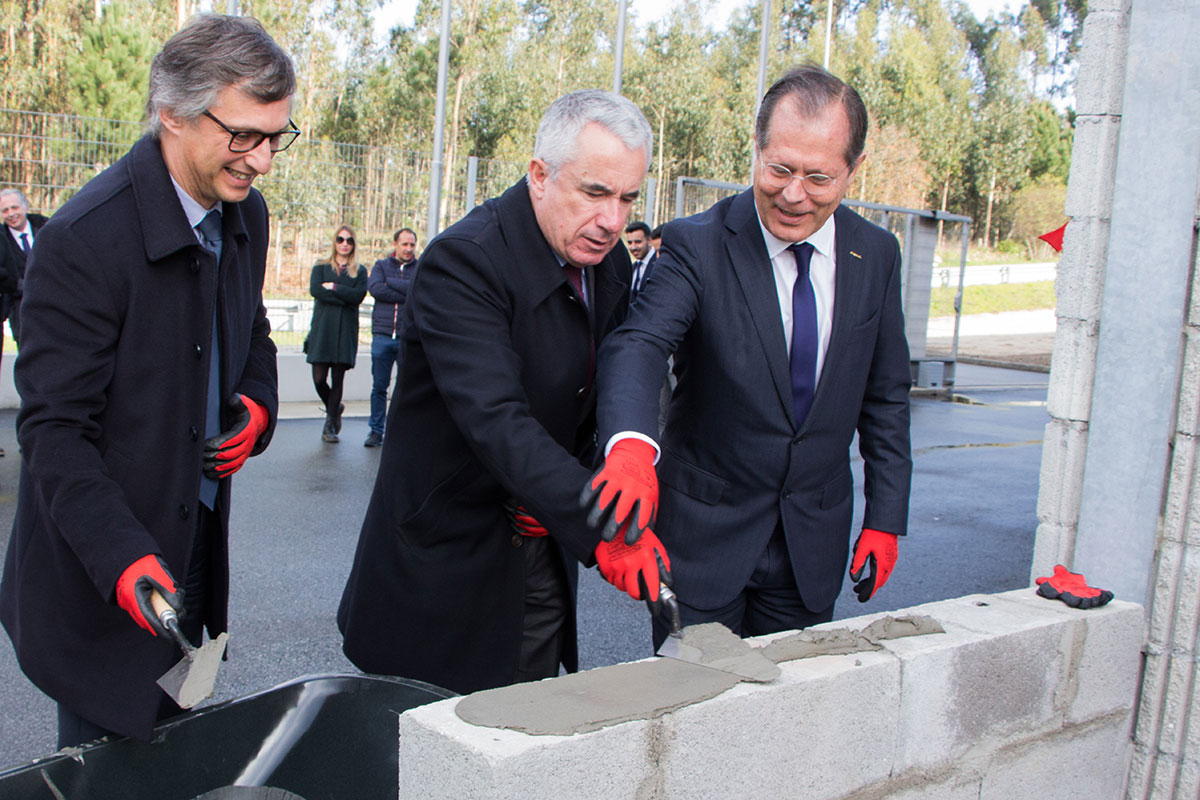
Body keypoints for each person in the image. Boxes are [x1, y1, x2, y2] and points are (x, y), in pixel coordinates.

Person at [0, 13, 294, 746]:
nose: (261, 161)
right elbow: (54, 432)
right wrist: (122, 555)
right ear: (172, 113)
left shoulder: (245, 215)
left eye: (275, 137)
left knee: (176, 738)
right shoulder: (82, 241)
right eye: (243, 136)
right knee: (110, 755)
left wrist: (257, 404)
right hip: (107, 560)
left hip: (191, 540)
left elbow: (252, 328)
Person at [338, 89, 669, 695]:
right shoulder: (465, 262)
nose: (613, 221)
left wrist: (613, 462)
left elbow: (603, 388)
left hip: (541, 550)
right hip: (447, 568)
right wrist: (604, 529)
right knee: (423, 753)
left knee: (519, 737)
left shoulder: (608, 264)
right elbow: (496, 419)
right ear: (539, 175)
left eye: (627, 198)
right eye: (595, 193)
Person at [584, 64, 913, 646]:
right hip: (703, 540)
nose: (793, 194)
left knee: (789, 717)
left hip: (811, 545)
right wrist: (630, 449)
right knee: (694, 716)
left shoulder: (877, 255)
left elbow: (884, 395)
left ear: (855, 169)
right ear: (756, 148)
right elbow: (640, 344)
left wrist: (886, 517)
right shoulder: (697, 244)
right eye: (779, 168)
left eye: (819, 178)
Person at [305, 225, 367, 443]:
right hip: (323, 329)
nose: (344, 244)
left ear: (353, 245)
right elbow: (315, 291)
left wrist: (334, 288)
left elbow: (358, 296)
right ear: (334, 242)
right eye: (340, 239)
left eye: (349, 241)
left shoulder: (359, 271)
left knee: (338, 378)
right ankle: (335, 406)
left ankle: (330, 424)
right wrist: (343, 297)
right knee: (319, 378)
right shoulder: (321, 267)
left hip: (345, 330)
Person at [364, 227, 417, 447]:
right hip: (383, 335)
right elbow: (376, 289)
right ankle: (376, 431)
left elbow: (420, 290)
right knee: (379, 386)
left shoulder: (420, 267)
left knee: (406, 388)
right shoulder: (380, 266)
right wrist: (407, 290)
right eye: (404, 244)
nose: (408, 249)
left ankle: (400, 433)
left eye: (412, 244)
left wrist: (392, 284)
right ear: (395, 244)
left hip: (408, 337)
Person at [0, 187, 49, 344]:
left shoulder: (46, 229)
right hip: (20, 309)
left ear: (25, 206)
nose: (11, 214)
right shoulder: (2, 239)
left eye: (14, 207)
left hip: (52, 304)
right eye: (5, 210)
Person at [624, 220, 657, 307]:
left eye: (638, 242)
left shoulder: (659, 264)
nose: (633, 247)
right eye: (630, 243)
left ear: (649, 241)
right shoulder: (633, 267)